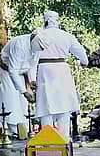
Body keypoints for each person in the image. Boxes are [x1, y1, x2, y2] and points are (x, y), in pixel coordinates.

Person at [32, 11, 88, 139]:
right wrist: (84, 62)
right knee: (64, 106)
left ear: (45, 20)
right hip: (62, 70)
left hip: (44, 69)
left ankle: (48, 139)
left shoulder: (38, 36)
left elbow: (32, 58)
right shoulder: (66, 36)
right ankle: (64, 139)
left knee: (45, 107)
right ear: (57, 20)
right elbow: (82, 55)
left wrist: (31, 78)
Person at [0, 30, 41, 137]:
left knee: (23, 102)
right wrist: (24, 91)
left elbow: (33, 65)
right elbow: (12, 71)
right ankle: (10, 129)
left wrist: (32, 80)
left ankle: (24, 128)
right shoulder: (19, 45)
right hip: (6, 70)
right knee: (10, 97)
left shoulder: (38, 47)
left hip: (21, 72)